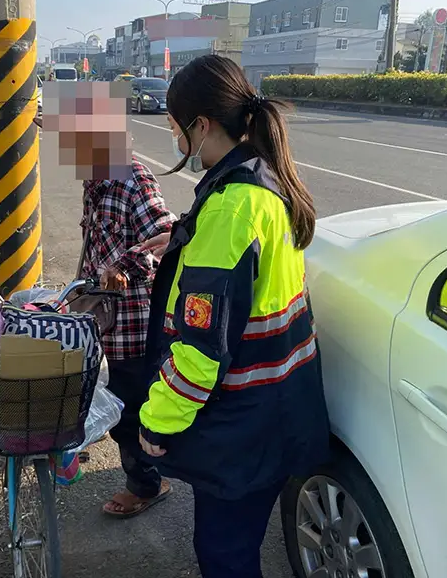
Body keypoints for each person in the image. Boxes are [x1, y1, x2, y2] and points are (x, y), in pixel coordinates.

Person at [136, 55, 331, 577]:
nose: (176, 141)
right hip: (283, 407)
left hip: (246, 427)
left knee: (225, 555)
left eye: (176, 129)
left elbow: (200, 352)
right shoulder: (264, 177)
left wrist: (154, 423)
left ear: (202, 126)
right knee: (236, 544)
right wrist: (184, 235)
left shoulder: (231, 210)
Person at [80, 156, 176, 518]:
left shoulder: (132, 177)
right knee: (115, 403)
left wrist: (124, 266)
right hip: (105, 318)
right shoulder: (95, 179)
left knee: (129, 413)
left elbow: (165, 236)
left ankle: (146, 486)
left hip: (135, 324)